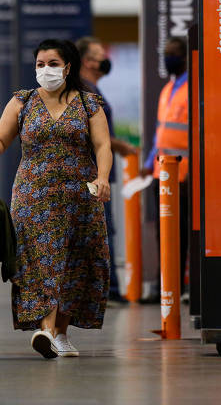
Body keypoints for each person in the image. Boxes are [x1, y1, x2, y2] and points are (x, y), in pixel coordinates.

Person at [0, 39, 112, 359]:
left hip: (79, 196)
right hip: (33, 197)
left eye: (52, 64)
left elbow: (103, 146)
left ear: (68, 67)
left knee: (76, 263)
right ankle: (49, 331)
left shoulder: (88, 103)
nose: (45, 70)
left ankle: (59, 334)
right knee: (39, 262)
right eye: (40, 64)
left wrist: (103, 177)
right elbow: (2, 135)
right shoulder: (22, 101)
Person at [77, 36, 139, 304]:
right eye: (99, 54)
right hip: (93, 173)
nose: (105, 59)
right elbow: (97, 135)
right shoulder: (86, 92)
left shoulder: (91, 90)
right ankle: (108, 290)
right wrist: (122, 146)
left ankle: (104, 289)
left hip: (97, 171)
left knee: (101, 230)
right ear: (87, 61)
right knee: (102, 230)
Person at [140, 36, 190, 302]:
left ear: (184, 57)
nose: (168, 58)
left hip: (185, 175)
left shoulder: (193, 89)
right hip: (163, 174)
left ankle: (180, 286)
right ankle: (165, 286)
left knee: (182, 234)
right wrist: (149, 164)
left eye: (173, 54)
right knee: (165, 233)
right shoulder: (167, 90)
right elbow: (162, 134)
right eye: (165, 53)